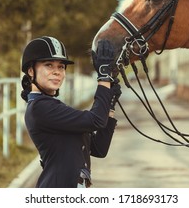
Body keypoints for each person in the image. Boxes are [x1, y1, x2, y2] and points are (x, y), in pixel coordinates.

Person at [21, 36, 121, 188]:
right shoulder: (40, 107)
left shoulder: (51, 106)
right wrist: (103, 75)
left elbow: (99, 148)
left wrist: (110, 106)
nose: (57, 72)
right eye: (49, 65)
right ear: (31, 71)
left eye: (61, 67)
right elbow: (95, 120)